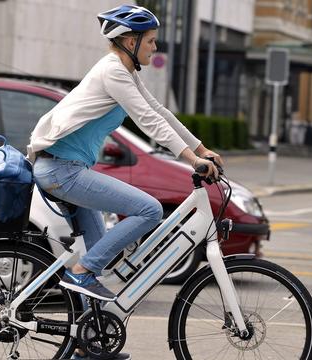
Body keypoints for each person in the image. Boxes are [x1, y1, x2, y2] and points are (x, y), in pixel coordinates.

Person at [27, 5, 221, 358]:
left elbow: (160, 111)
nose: (155, 48)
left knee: (101, 258)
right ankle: (81, 271)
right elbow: (148, 121)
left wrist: (200, 147)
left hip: (67, 169)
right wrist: (191, 160)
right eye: (151, 41)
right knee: (147, 209)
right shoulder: (113, 71)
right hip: (61, 171)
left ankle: (89, 345)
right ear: (130, 41)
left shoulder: (125, 72)